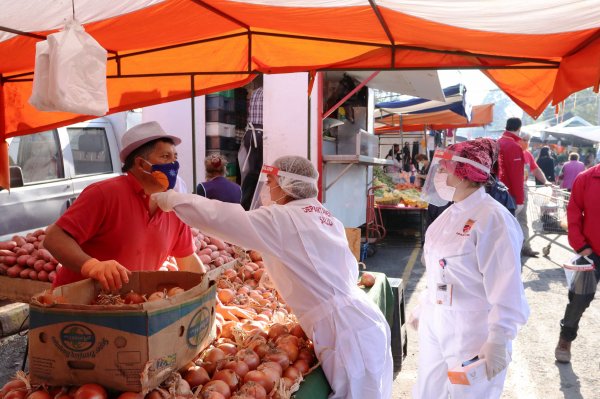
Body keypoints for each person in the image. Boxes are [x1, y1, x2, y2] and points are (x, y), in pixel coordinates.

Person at [152, 156, 393, 398]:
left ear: (287, 184)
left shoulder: (283, 218)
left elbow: (222, 217)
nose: (267, 188)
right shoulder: (323, 214)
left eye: (270, 181)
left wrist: (173, 199)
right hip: (361, 320)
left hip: (345, 333)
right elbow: (338, 268)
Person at [412, 138, 529, 399]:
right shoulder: (447, 215)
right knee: (428, 391)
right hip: (438, 323)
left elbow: (507, 286)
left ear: (465, 175)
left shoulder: (494, 219)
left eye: (445, 169)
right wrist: (426, 305)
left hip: (473, 330)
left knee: (469, 394)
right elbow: (438, 271)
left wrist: (499, 337)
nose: (439, 175)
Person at [43, 121, 206, 291]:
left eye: (175, 157)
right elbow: (54, 238)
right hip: (76, 306)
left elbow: (187, 259)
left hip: (128, 307)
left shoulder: (172, 206)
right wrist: (92, 266)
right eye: (165, 157)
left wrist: (206, 290)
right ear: (141, 164)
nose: (174, 165)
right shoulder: (104, 194)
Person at [554, 163, 600, 363]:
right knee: (579, 299)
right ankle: (565, 339)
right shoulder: (587, 178)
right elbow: (573, 212)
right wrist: (581, 246)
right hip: (590, 252)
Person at [519, 133, 552, 257]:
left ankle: (526, 247)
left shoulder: (527, 154)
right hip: (509, 192)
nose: (526, 143)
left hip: (523, 190)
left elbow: (535, 169)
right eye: (524, 140)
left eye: (528, 140)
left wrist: (545, 181)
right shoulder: (508, 151)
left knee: (523, 219)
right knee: (507, 220)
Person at [238, 77, 263, 210]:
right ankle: (248, 205)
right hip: (259, 135)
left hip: (250, 135)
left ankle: (246, 203)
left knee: (252, 171)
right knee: (258, 173)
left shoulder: (256, 92)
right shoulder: (268, 94)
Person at [497, 117, 525, 214]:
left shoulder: (497, 142)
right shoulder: (514, 146)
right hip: (508, 196)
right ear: (519, 128)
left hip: (495, 192)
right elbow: (516, 176)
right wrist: (520, 200)